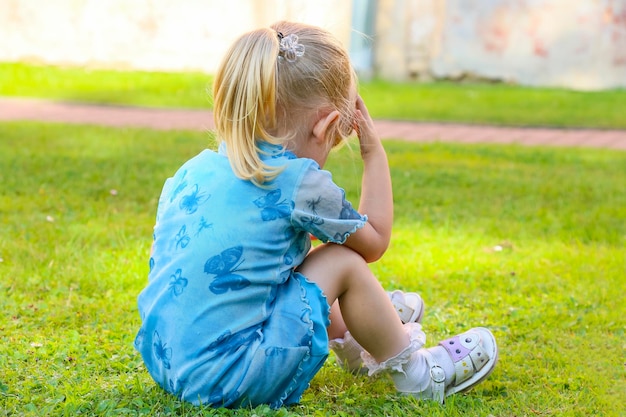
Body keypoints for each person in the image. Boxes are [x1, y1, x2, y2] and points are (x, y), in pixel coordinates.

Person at [134, 20, 498, 409]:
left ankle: (360, 338)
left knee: (298, 258)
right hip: (233, 376)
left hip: (169, 361)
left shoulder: (192, 171)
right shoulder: (296, 181)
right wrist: (374, 154)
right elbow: (373, 239)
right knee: (342, 260)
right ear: (325, 126)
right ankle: (418, 374)